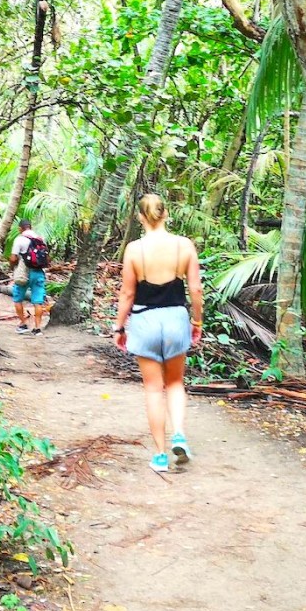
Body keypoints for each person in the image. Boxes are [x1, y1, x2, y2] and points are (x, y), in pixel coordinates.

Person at [111, 194, 202, 473]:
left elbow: (127, 293)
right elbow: (196, 290)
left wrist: (118, 326)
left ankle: (161, 456)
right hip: (175, 318)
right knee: (175, 383)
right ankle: (179, 435)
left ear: (140, 217)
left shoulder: (134, 250)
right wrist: (196, 322)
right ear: (166, 214)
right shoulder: (183, 246)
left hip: (144, 320)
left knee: (153, 389)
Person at [9, 218, 49, 335]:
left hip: (23, 273)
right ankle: (37, 328)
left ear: (20, 228)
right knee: (38, 301)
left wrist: (12, 266)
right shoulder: (40, 239)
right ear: (30, 227)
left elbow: (13, 258)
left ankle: (23, 324)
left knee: (18, 298)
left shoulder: (19, 239)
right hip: (38, 273)